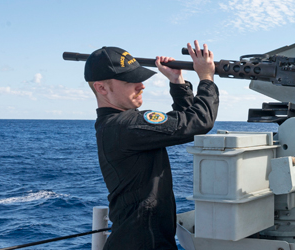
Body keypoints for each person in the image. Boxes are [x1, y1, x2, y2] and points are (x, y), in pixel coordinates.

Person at [85, 40, 219, 249]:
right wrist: (206, 78)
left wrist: (177, 81)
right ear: (101, 88)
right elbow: (199, 122)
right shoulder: (124, 126)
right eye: (130, 80)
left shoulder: (122, 125)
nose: (141, 85)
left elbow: (185, 122)